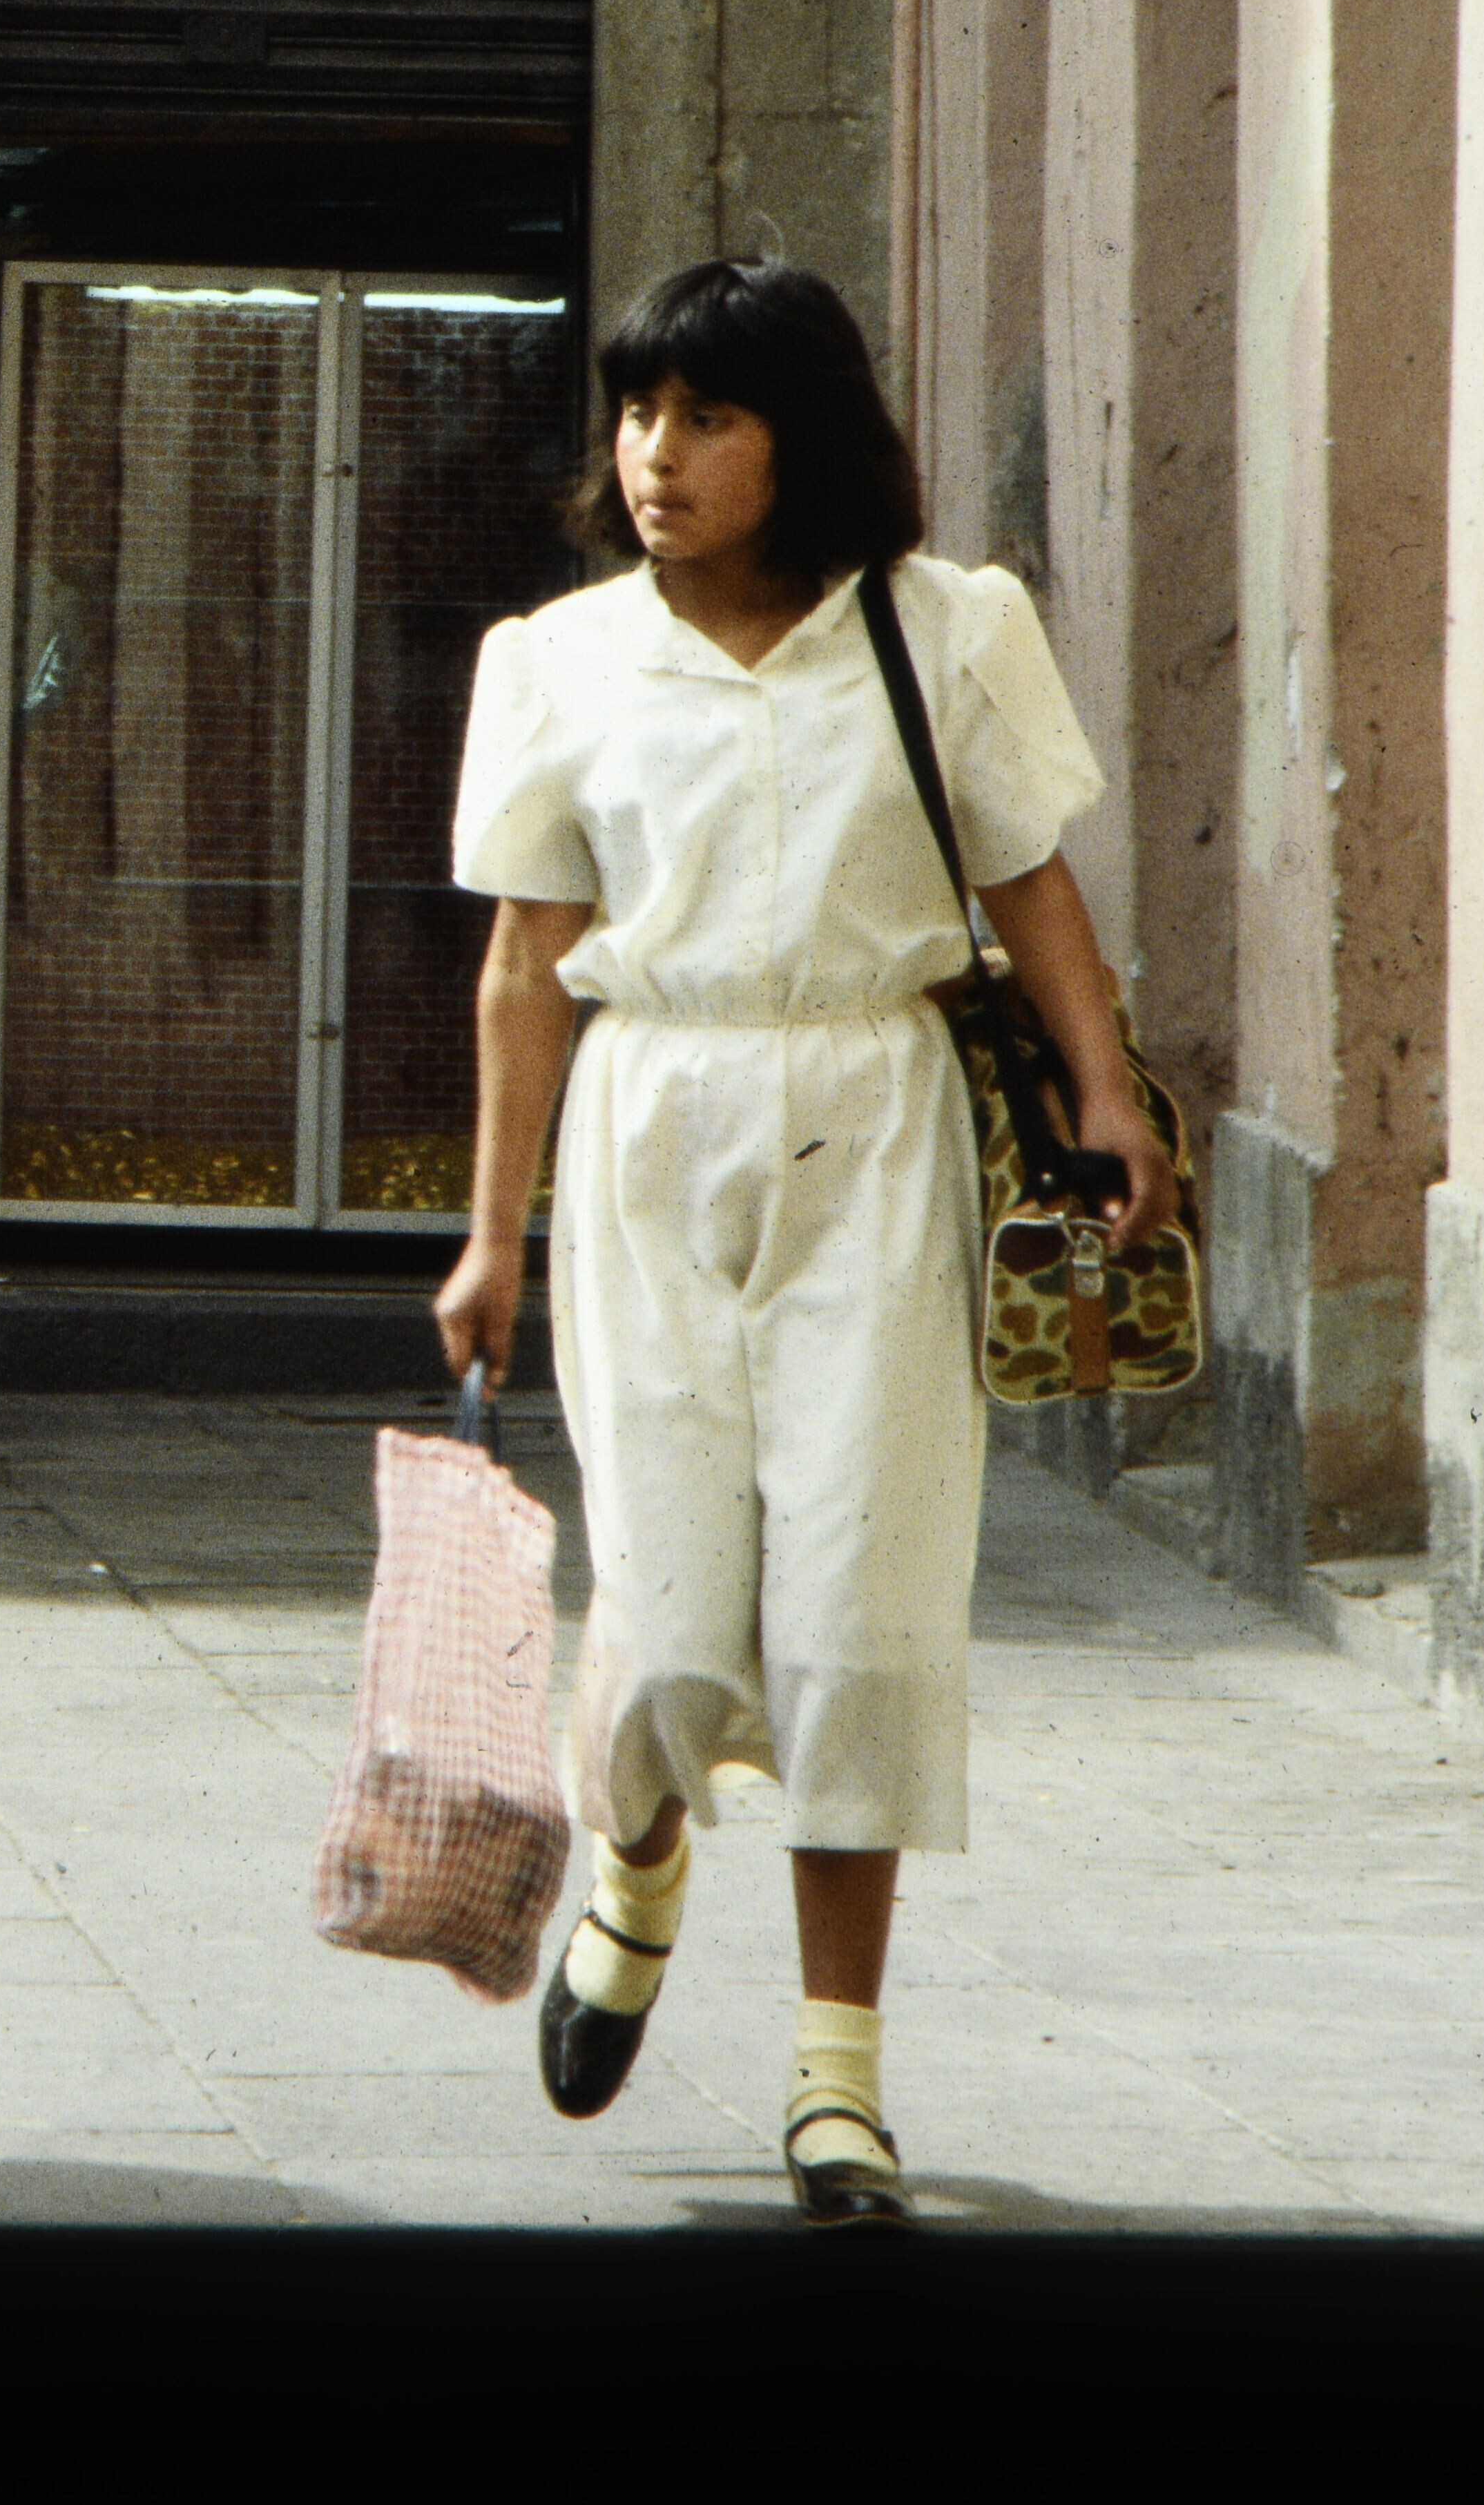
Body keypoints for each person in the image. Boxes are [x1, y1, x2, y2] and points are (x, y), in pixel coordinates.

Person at [434, 257, 1168, 2235]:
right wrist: (489, 1231)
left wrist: (1106, 1089)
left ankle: (838, 2083)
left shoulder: (945, 628)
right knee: (669, 1609)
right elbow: (520, 964)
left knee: (862, 1606)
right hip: (651, 1127)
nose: (656, 455)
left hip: (880, 1123)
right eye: (638, 412)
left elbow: (1029, 878)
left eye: (709, 416)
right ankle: (638, 1874)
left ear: (804, 435)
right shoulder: (561, 659)